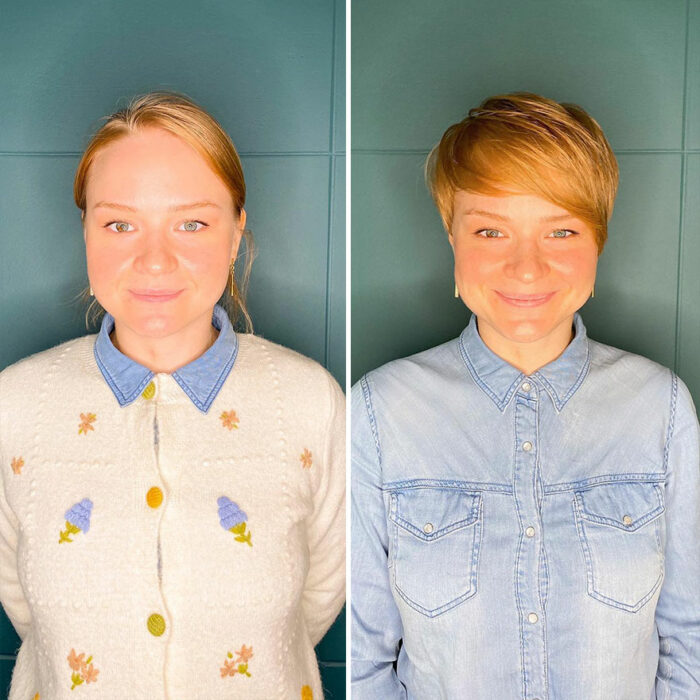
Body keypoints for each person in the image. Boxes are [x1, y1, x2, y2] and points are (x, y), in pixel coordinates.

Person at [351, 93, 700, 698]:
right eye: (490, 229)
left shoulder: (662, 409)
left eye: (561, 230)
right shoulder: (379, 413)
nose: (527, 268)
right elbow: (363, 663)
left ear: (598, 240)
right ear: (451, 235)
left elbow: (689, 641)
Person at [0, 92, 345, 700]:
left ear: (236, 232)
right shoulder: (17, 404)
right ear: (86, 230)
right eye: (120, 223)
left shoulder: (309, 401)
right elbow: (27, 608)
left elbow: (313, 605)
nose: (154, 260)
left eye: (192, 223)